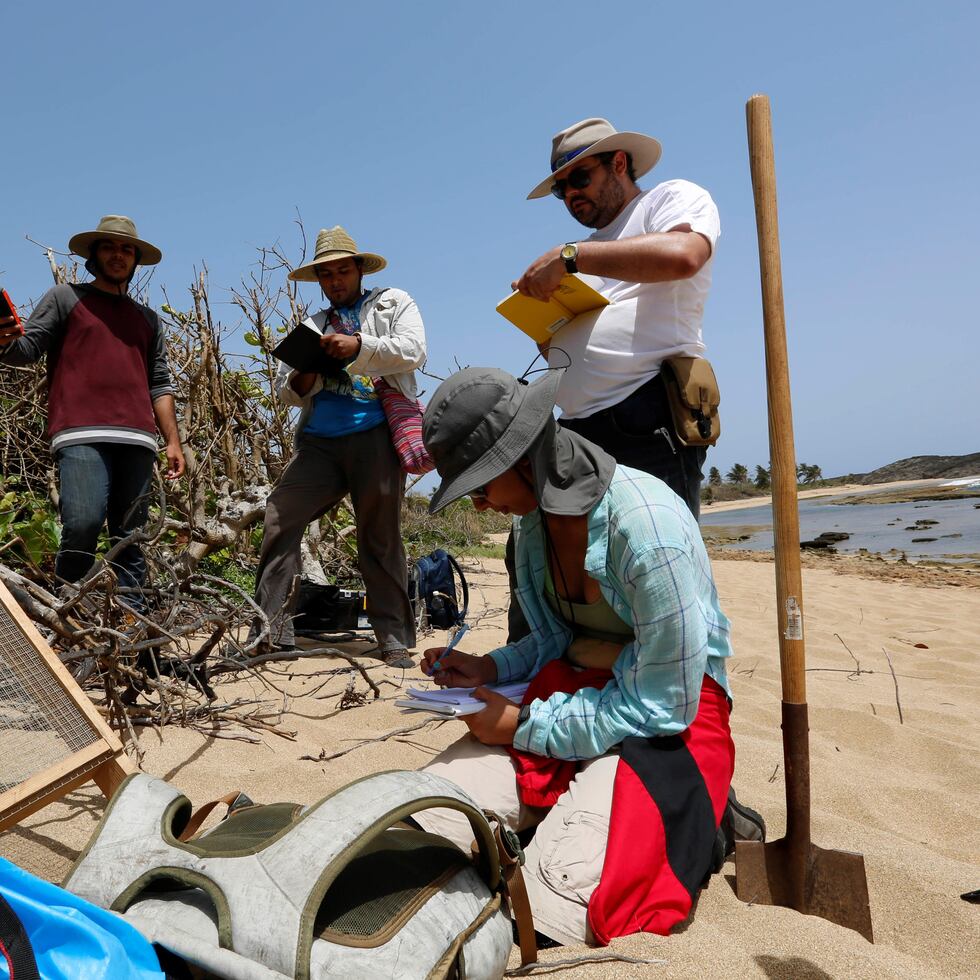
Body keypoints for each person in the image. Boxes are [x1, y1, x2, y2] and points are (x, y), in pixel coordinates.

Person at [413, 367, 761, 948]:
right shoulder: (530, 528)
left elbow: (664, 704)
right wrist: (493, 668)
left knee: (556, 904)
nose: (480, 502)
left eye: (480, 486)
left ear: (523, 457)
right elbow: (556, 636)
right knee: (423, 820)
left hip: (667, 720)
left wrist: (523, 727)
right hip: (574, 695)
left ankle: (705, 813)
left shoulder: (648, 530)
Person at [514, 116, 721, 518]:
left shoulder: (669, 199)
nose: (571, 194)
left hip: (647, 418)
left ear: (619, 164)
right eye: (561, 189)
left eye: (580, 178)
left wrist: (568, 257)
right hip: (577, 432)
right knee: (586, 573)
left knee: (658, 567)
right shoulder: (586, 252)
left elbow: (684, 256)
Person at [250, 226, 425, 666]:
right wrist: (304, 375)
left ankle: (393, 637)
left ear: (359, 270)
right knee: (280, 516)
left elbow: (414, 350)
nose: (335, 281)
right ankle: (272, 633)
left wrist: (358, 345)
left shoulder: (394, 302)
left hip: (376, 436)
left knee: (380, 535)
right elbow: (290, 391)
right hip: (319, 444)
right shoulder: (312, 325)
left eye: (342, 271)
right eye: (326, 275)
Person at [0, 215, 184, 605]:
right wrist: (3, 339)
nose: (118, 255)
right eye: (109, 247)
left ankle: (135, 637)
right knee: (82, 523)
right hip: (80, 431)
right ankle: (67, 610)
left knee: (130, 537)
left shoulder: (147, 319)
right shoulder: (65, 298)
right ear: (94, 255)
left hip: (137, 437)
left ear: (135, 260)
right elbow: (26, 350)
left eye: (126, 249)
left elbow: (160, 383)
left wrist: (172, 440)